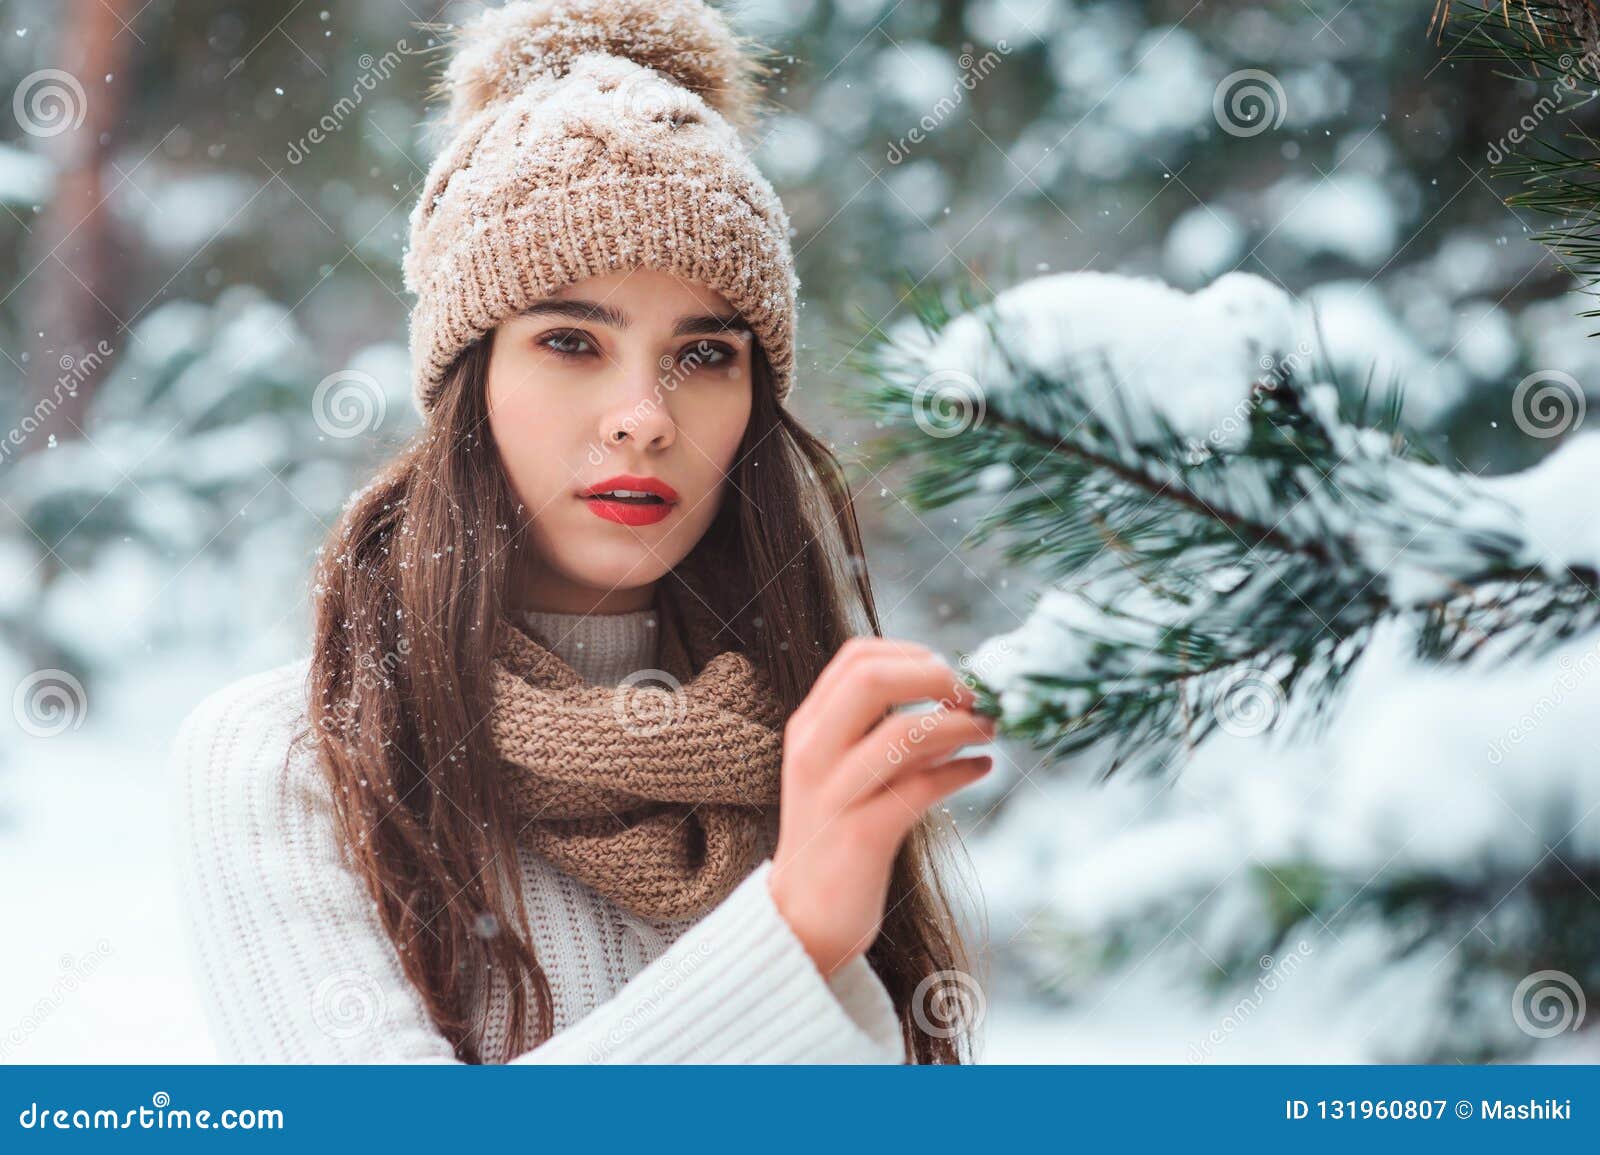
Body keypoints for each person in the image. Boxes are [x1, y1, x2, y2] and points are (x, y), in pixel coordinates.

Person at [170, 0, 994, 1065]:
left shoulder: (808, 743)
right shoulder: (291, 755)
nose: (644, 416)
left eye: (704, 356)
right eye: (570, 340)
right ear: (468, 381)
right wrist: (788, 938)